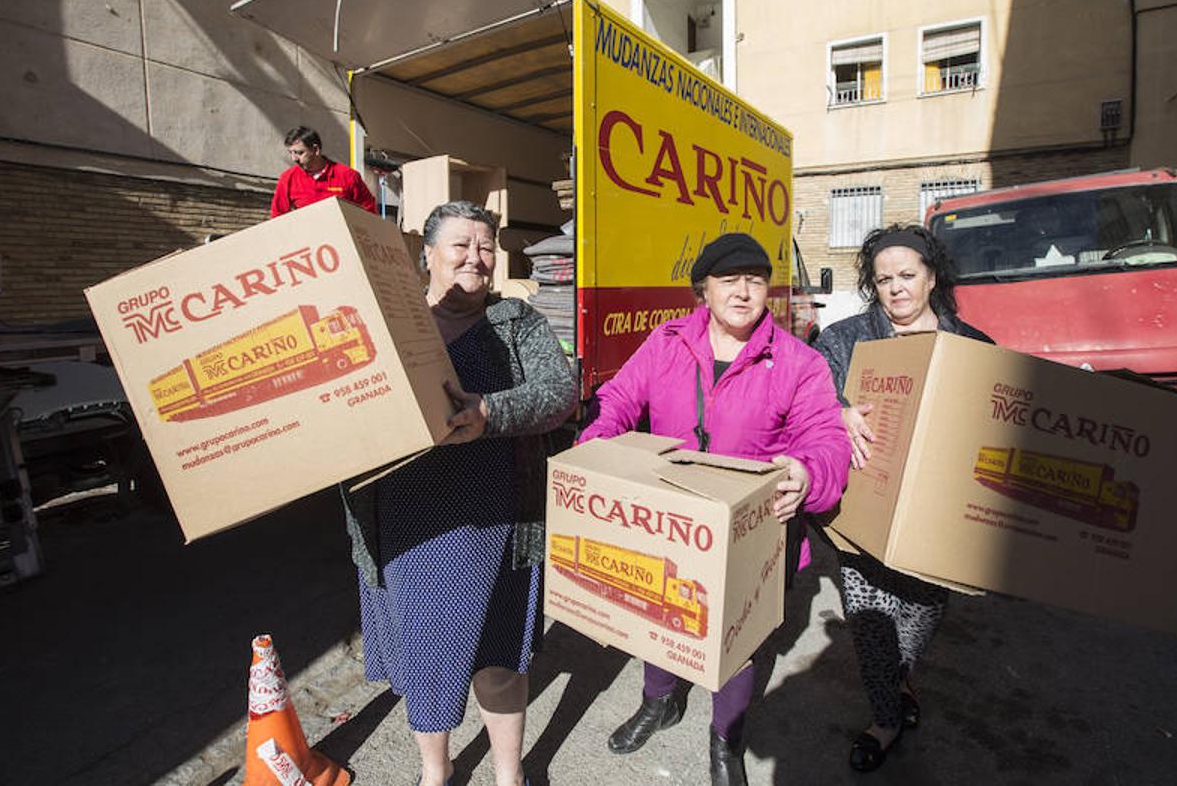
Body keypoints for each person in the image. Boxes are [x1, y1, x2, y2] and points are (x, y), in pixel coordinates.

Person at [579, 232, 850, 786]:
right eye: (730, 280)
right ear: (703, 288)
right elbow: (622, 398)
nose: (744, 292)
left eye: (755, 280)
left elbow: (825, 438)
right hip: (671, 519)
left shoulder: (797, 360)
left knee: (737, 643)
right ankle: (660, 702)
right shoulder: (667, 341)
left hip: (754, 533)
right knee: (659, 616)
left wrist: (806, 473)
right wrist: (597, 443)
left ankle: (726, 740)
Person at [341, 200, 576, 786]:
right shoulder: (389, 320)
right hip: (409, 523)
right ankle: (434, 770)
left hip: (498, 519)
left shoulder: (518, 323)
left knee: (498, 658)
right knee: (427, 661)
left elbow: (560, 392)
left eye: (486, 247)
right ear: (427, 255)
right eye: (461, 246)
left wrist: (491, 411)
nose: (477, 257)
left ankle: (507, 774)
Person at [813, 223, 993, 773]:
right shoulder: (844, 340)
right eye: (884, 278)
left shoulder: (974, 347)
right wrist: (838, 414)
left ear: (931, 276)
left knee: (921, 612)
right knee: (869, 621)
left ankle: (898, 683)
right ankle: (886, 719)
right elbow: (809, 401)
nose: (896, 288)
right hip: (861, 516)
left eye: (907, 275)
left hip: (937, 521)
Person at [270, 125, 377, 217]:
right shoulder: (288, 178)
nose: (294, 159)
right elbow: (277, 216)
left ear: (316, 150)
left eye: (299, 153)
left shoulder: (348, 176)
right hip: (305, 239)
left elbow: (369, 212)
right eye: (291, 153)